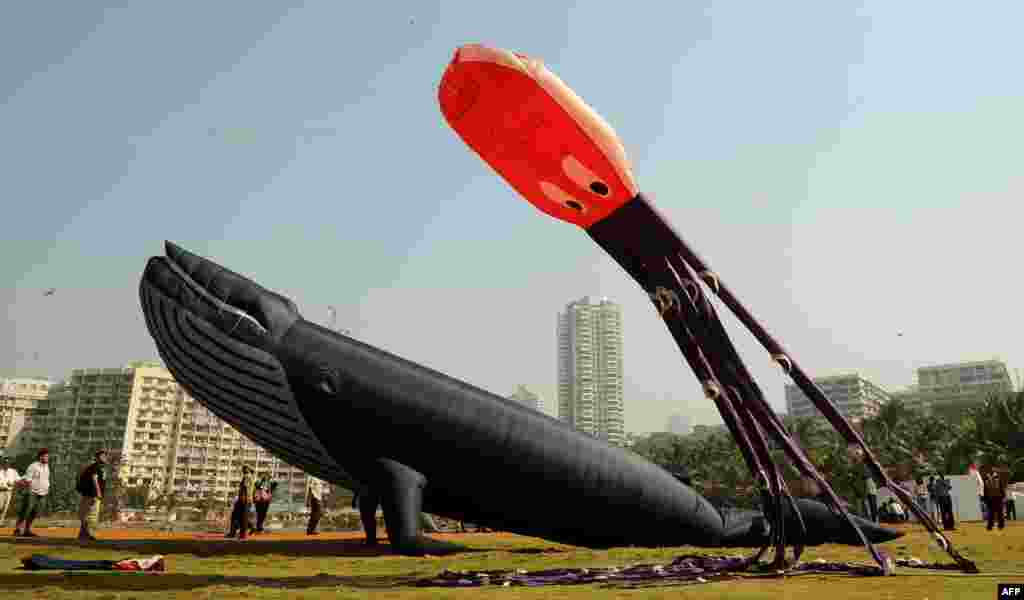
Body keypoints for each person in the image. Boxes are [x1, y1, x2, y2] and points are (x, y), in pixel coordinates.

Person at [14, 448, 51, 537]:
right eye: (45, 456)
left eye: (47, 456)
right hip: (32, 492)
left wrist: (47, 487)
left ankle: (27, 530)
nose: (47, 458)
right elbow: (28, 479)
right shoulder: (33, 466)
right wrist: (26, 489)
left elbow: (46, 479)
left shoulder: (47, 466)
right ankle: (18, 529)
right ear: (40, 457)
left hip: (43, 493)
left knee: (34, 512)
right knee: (26, 511)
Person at [75, 450, 107, 541]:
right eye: (102, 456)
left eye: (105, 456)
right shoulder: (95, 467)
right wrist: (98, 493)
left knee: (85, 515)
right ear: (97, 458)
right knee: (92, 516)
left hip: (90, 495)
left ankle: (83, 534)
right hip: (92, 495)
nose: (104, 457)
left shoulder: (100, 467)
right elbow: (94, 479)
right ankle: (90, 534)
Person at [226, 466, 255, 539]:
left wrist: (243, 499)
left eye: (245, 468)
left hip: (244, 500)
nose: (243, 469)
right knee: (239, 517)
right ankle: (235, 533)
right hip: (244, 499)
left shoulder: (247, 476)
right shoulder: (249, 476)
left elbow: (246, 488)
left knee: (241, 517)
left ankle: (240, 534)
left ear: (248, 469)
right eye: (243, 468)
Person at [0, 457, 20, 525]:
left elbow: (18, 480)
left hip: (9, 492)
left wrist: (13, 483)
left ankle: (1, 522)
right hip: (0, 491)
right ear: (2, 463)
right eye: (5, 462)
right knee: (0, 506)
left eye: (8, 463)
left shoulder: (13, 471)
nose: (6, 464)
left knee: (5, 508)